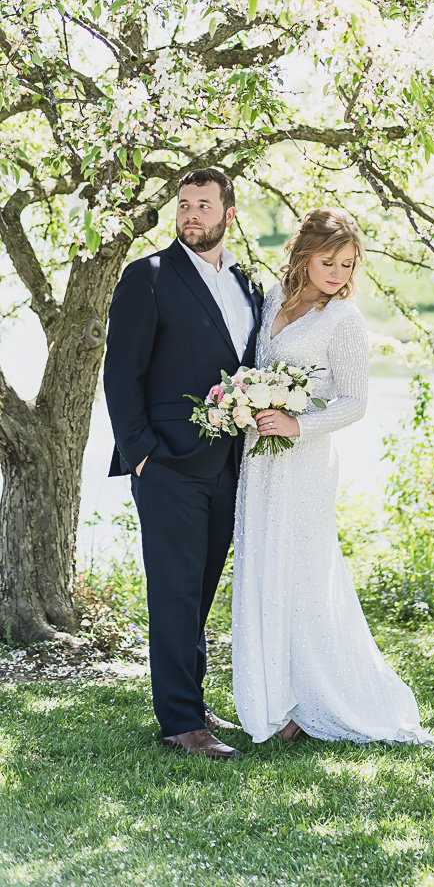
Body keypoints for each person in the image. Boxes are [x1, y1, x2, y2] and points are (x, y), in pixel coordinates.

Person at [232, 207, 433, 746]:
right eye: (329, 261)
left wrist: (298, 424)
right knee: (264, 567)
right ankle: (274, 695)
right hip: (260, 458)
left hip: (304, 459)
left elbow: (355, 403)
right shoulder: (274, 299)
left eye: (347, 264)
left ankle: (315, 699)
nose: (339, 274)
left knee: (301, 571)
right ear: (304, 256)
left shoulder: (345, 320)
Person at [104, 168, 262, 760]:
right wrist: (142, 453)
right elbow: (121, 374)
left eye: (204, 205)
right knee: (173, 589)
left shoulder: (249, 285)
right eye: (184, 205)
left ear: (229, 214)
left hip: (229, 464)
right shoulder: (147, 277)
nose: (191, 215)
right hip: (167, 462)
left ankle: (189, 698)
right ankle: (179, 723)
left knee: (199, 589)